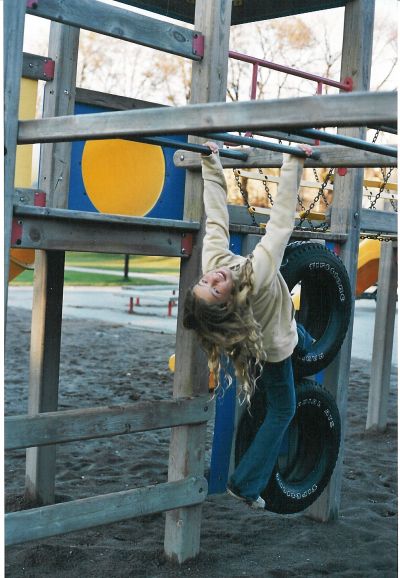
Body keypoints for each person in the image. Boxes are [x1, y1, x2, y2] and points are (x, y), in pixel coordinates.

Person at [183, 140, 313, 510]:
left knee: (304, 338)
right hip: (275, 346)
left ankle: (307, 345)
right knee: (284, 408)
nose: (213, 278)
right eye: (215, 289)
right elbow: (280, 224)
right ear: (229, 303)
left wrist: (211, 162)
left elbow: (216, 218)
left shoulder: (214, 263)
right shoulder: (258, 275)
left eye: (206, 282)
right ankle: (244, 484)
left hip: (272, 325)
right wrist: (293, 161)